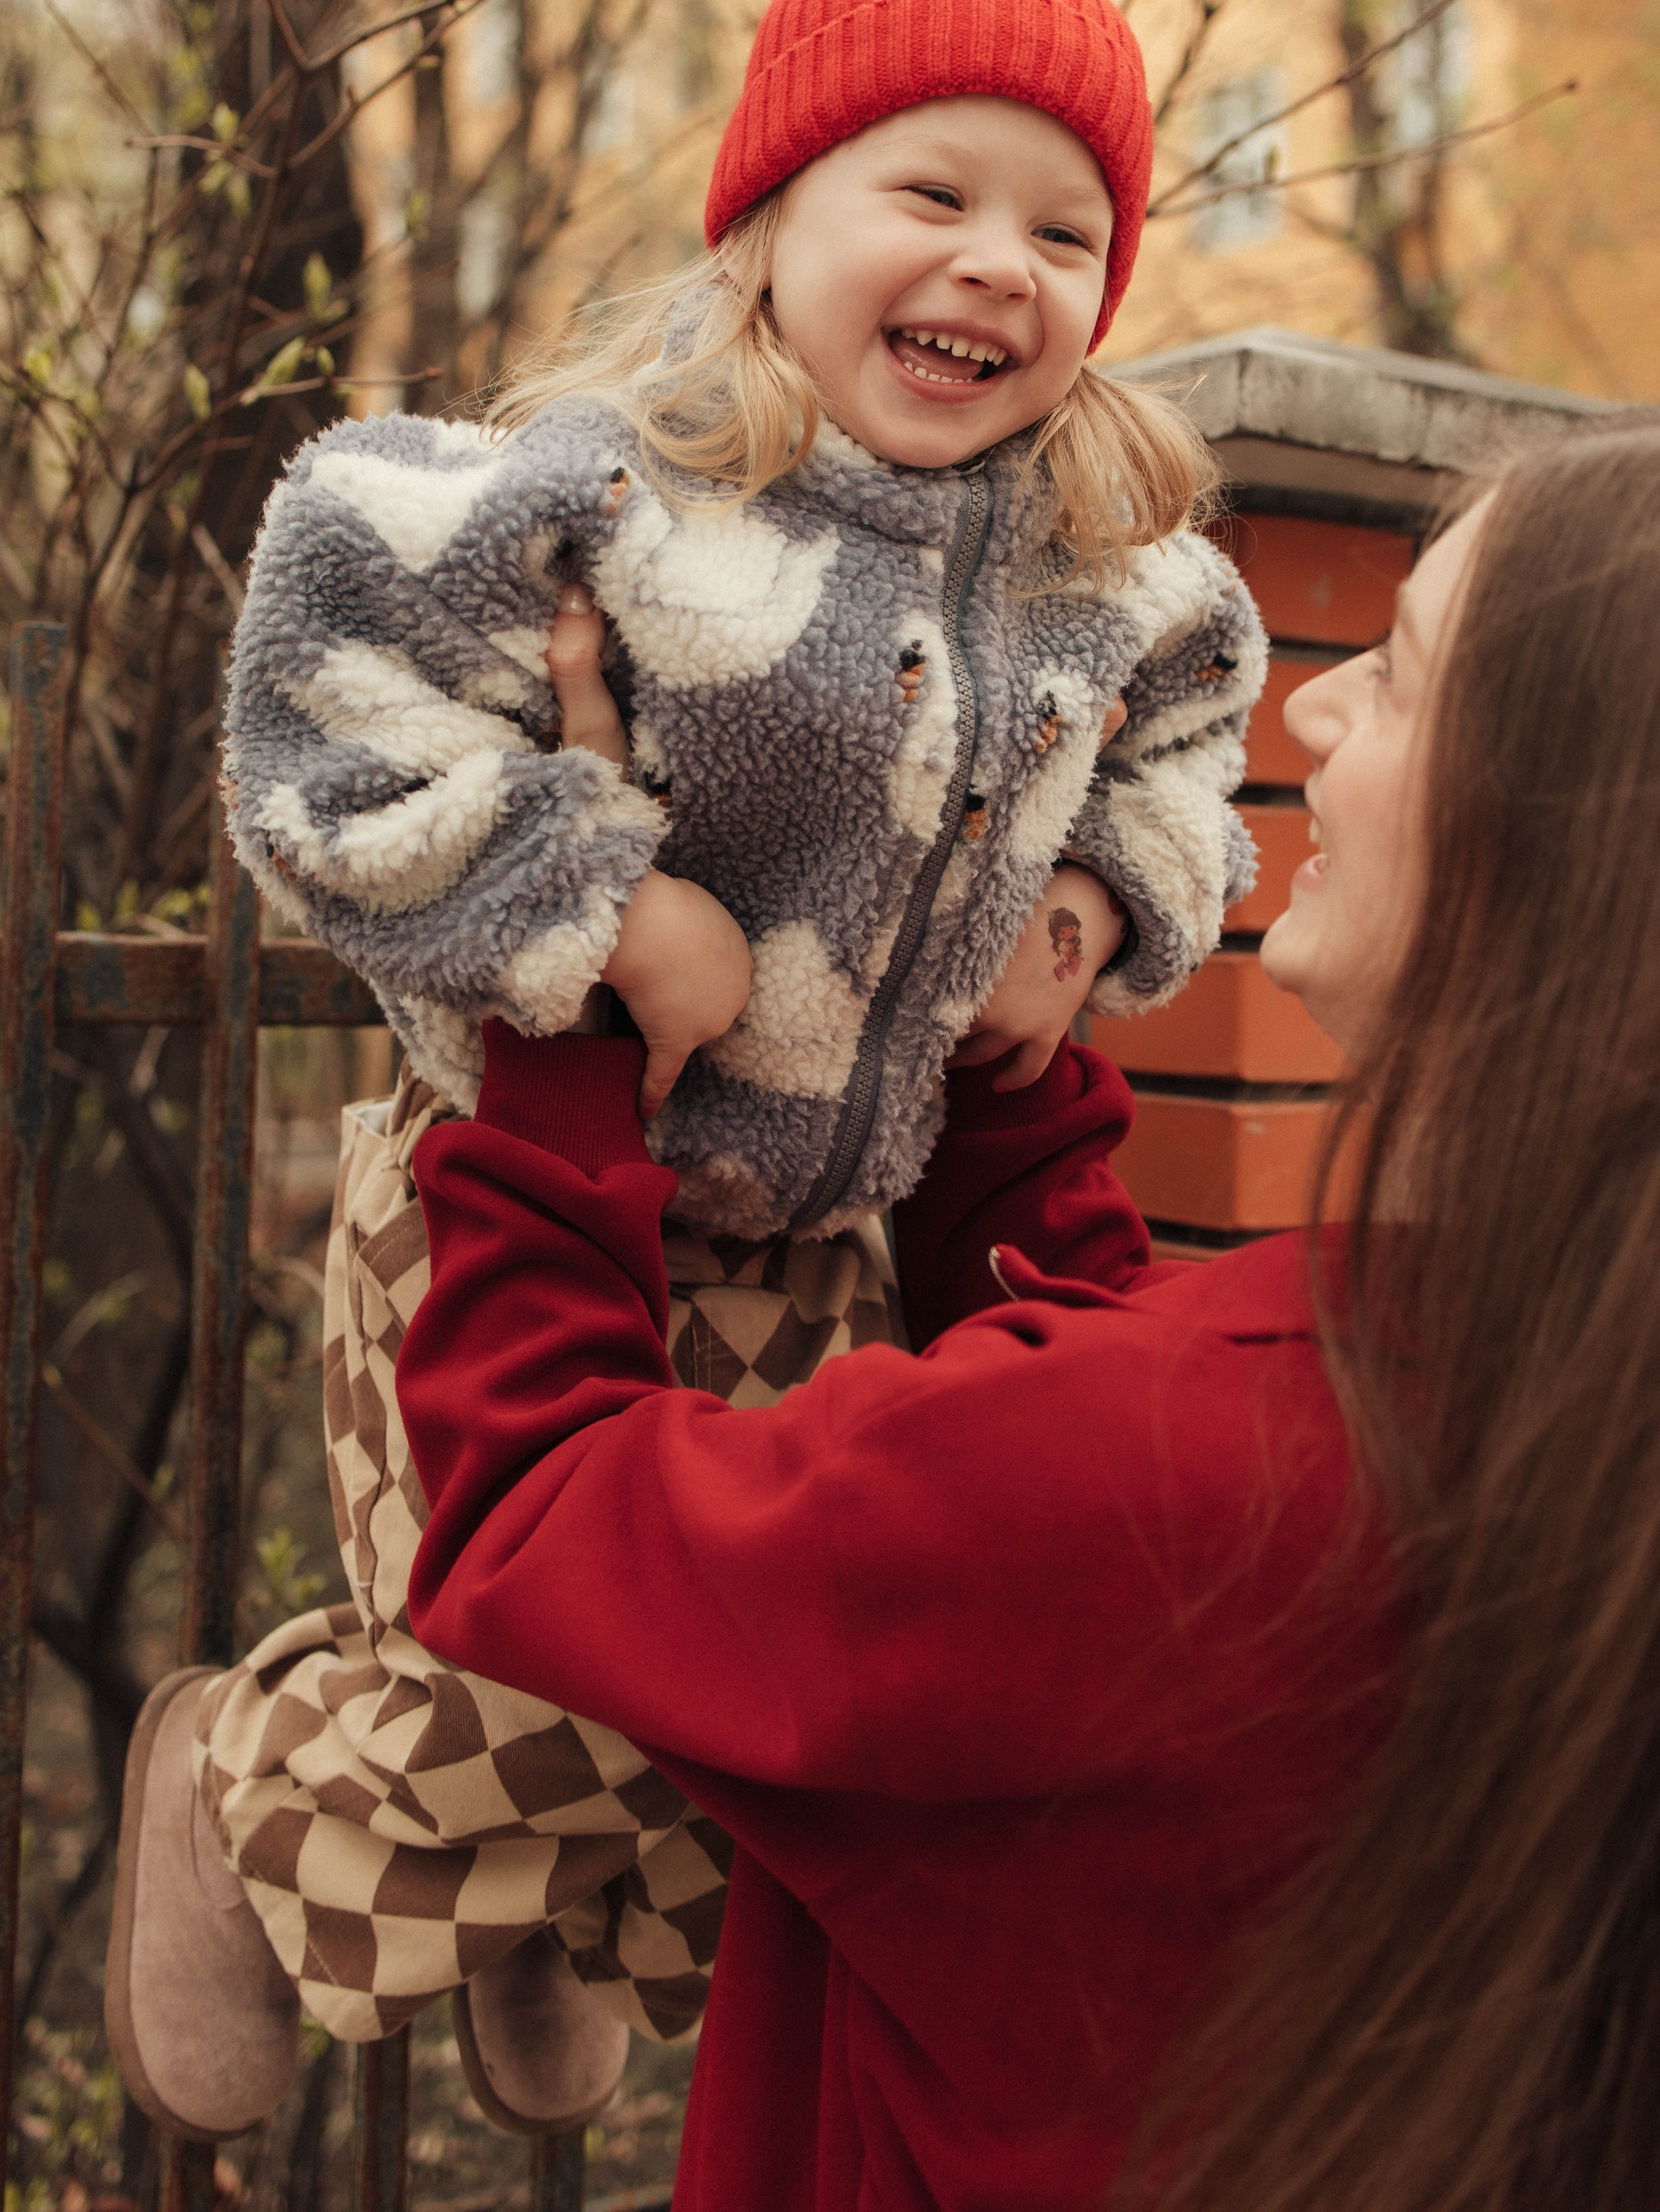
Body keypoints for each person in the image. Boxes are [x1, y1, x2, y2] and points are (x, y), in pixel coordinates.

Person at [104, 0, 1270, 2142]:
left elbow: (1201, 743)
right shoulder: (618, 493)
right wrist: (594, 893)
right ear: (767, 223)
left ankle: (524, 1907)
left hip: (827, 1234)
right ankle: (239, 1794)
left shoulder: (1113, 572)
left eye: (1064, 233)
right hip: (513, 1195)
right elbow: (314, 682)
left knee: (758, 1684)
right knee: (564, 1653)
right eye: (932, 190)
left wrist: (1112, 904)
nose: (996, 267)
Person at [379, 423, 1660, 2210]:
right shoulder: (1532, 1409)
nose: (1309, 714)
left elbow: (540, 1518)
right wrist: (982, 1054)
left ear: (1561, 845)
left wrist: (566, 995)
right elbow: (1101, 1420)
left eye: (1402, 673)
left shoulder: (1182, 1475)